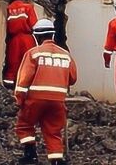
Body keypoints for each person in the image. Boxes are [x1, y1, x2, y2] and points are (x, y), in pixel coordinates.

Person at [15, 19, 77, 165]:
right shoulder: (65, 55)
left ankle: (30, 155)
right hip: (58, 100)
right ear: (52, 35)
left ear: (37, 37)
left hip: (35, 99)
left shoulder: (33, 53)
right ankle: (56, 160)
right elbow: (73, 78)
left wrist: (19, 100)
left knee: (24, 125)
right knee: (53, 130)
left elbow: (23, 80)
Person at [3, 0, 38, 88]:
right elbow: (34, 25)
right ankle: (28, 84)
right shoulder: (28, 7)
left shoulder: (9, 9)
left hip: (13, 39)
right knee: (29, 62)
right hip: (28, 39)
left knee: (13, 62)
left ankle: (10, 86)